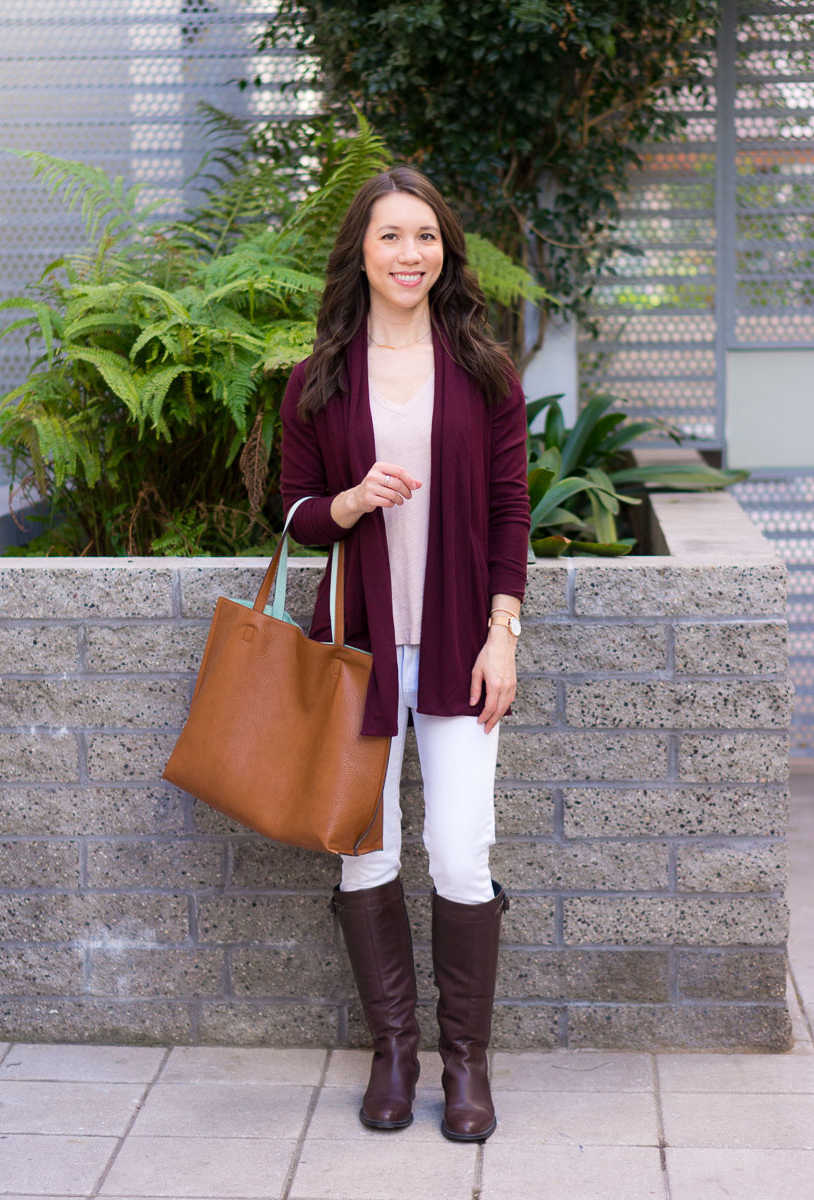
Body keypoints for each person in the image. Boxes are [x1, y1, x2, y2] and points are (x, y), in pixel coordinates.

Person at [279, 166, 530, 1143]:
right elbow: (297, 513)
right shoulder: (320, 376)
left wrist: (501, 633)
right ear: (361, 252)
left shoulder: (480, 372)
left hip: (463, 648)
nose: (409, 254)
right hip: (358, 654)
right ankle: (394, 1054)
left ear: (444, 253)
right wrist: (349, 502)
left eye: (424, 236)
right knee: (364, 851)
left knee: (460, 852)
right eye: (390, 236)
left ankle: (466, 1066)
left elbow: (510, 511)